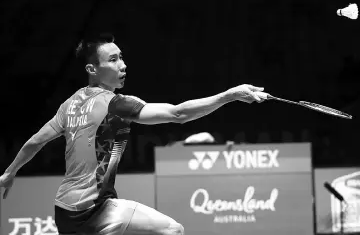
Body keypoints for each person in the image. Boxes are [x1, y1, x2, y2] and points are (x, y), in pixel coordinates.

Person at [0, 33, 266, 235]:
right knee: (174, 230)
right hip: (97, 211)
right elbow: (178, 114)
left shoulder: (69, 105)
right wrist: (229, 95)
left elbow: (34, 142)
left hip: (64, 215)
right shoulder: (116, 104)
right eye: (113, 60)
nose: (123, 65)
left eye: (122, 57)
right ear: (92, 70)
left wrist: (9, 173)